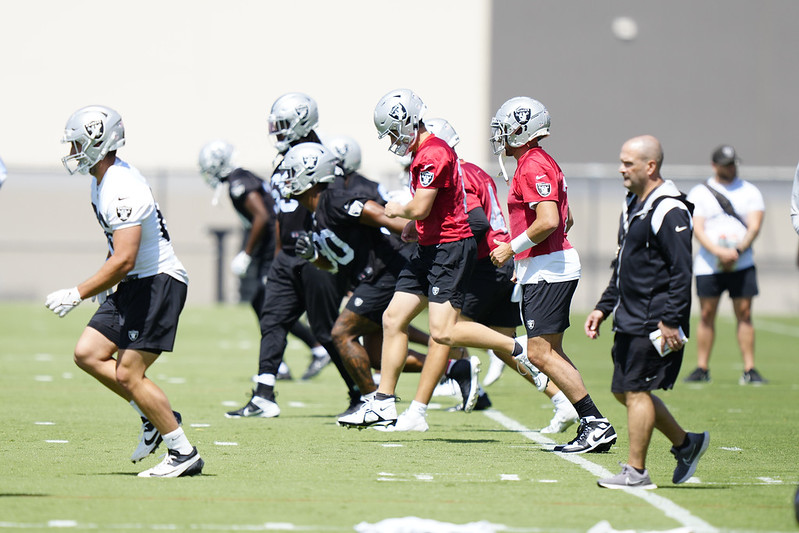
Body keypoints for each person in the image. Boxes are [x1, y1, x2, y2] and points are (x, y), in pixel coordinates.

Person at [339, 89, 528, 430]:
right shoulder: (424, 153)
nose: (394, 140)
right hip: (431, 245)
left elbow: (422, 204)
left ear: (409, 122)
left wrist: (400, 211)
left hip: (450, 247)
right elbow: (432, 208)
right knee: (393, 317)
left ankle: (514, 346)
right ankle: (383, 403)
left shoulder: (433, 152)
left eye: (395, 132)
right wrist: (415, 226)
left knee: (444, 331)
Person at [386, 117, 577, 433]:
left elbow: (475, 221)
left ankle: (416, 411)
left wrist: (447, 247)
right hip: (499, 263)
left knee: (443, 332)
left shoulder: (457, 173)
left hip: (486, 262)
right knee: (501, 345)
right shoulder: (471, 170)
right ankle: (561, 400)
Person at [45, 105, 203, 477]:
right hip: (135, 283)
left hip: (158, 283)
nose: (73, 153)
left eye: (77, 145)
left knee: (130, 374)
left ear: (100, 141)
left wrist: (79, 292)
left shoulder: (121, 185)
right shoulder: (101, 181)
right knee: (88, 353)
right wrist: (107, 279)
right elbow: (117, 247)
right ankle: (152, 416)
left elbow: (127, 257)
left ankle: (183, 453)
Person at [489, 96, 615, 453]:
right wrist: (529, 261)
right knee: (549, 352)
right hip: (546, 265)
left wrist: (513, 249)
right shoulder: (539, 162)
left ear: (521, 128)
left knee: (539, 353)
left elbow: (550, 221)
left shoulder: (532, 165)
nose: (499, 135)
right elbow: (566, 220)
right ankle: (592, 422)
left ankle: (594, 422)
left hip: (550, 269)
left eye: (504, 127)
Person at [225, 92, 361, 419]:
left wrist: (331, 253)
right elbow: (279, 215)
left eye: (284, 125)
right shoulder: (284, 158)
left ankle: (361, 393)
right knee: (272, 320)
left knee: (326, 329)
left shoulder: (324, 157)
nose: (278, 131)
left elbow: (339, 207)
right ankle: (263, 395)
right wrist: (275, 259)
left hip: (315, 253)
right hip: (286, 256)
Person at [585, 135, 708, 489]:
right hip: (630, 314)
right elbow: (624, 262)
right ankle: (687, 444)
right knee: (624, 390)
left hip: (654, 320)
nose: (621, 168)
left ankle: (636, 473)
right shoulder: (634, 202)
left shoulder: (670, 209)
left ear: (650, 166)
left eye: (628, 163)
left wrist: (671, 319)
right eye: (621, 161)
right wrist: (603, 306)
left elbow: (682, 271)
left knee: (636, 390)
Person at [198, 140, 330, 381]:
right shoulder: (244, 177)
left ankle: (312, 350)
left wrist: (247, 253)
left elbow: (262, 216)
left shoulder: (239, 183)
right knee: (263, 302)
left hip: (272, 248)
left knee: (272, 305)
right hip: (271, 247)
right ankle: (289, 360)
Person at [683, 145, 766, 385]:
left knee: (745, 313)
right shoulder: (700, 192)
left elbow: (754, 225)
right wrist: (719, 252)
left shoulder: (750, 191)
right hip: (710, 264)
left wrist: (737, 251)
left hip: (743, 262)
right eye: (726, 164)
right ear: (714, 165)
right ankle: (702, 367)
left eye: (733, 163)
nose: (730, 168)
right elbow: (697, 228)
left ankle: (749, 369)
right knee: (707, 313)